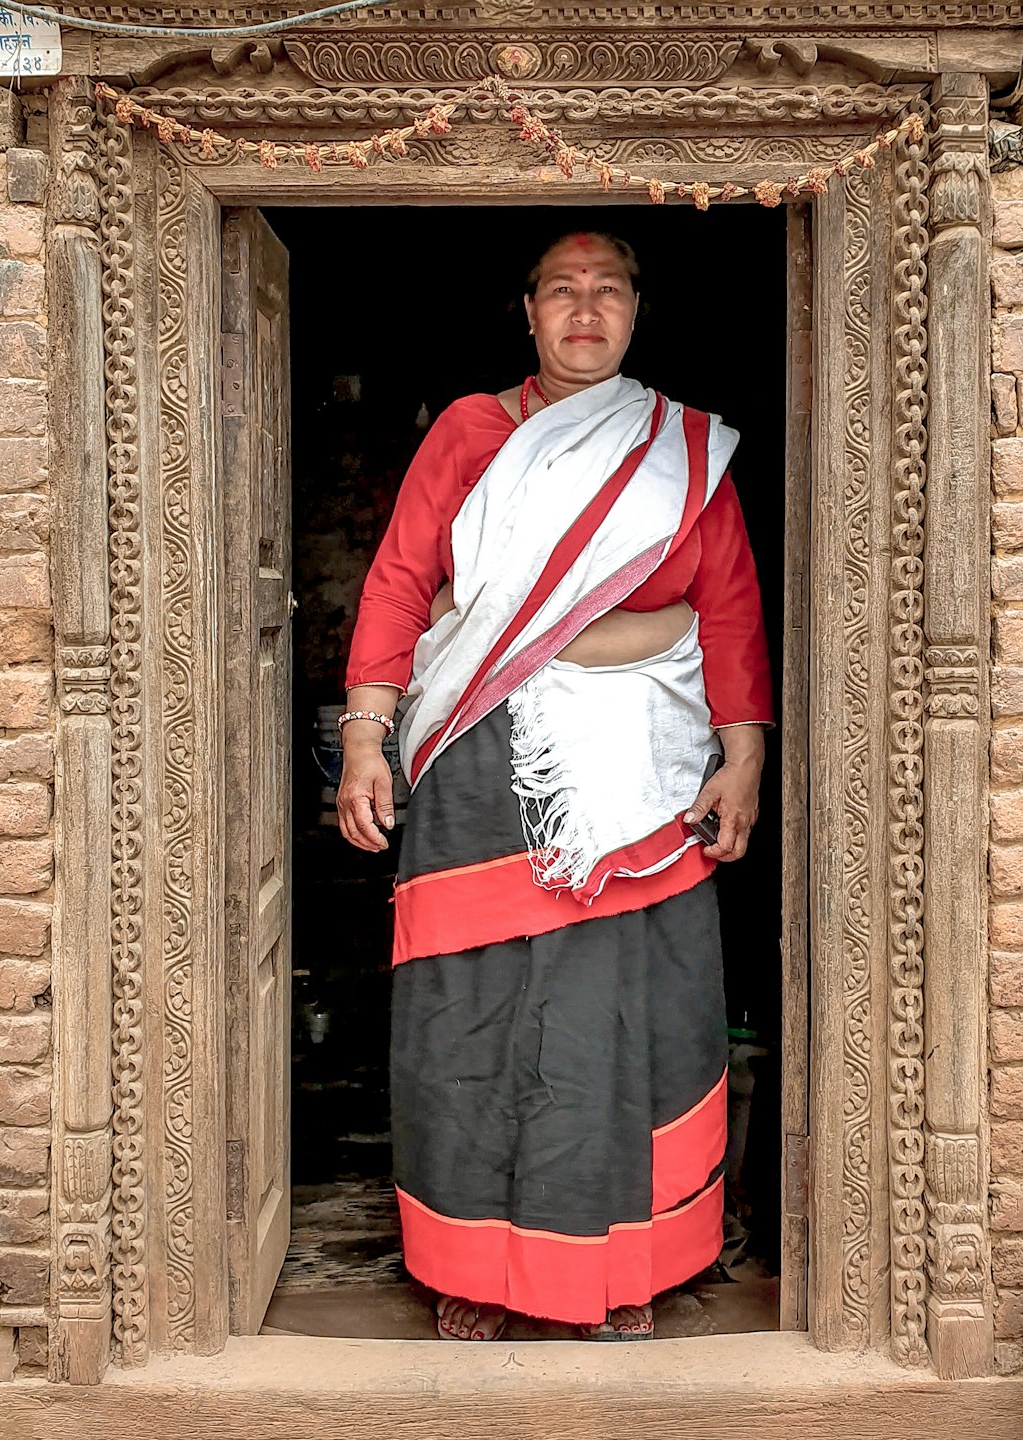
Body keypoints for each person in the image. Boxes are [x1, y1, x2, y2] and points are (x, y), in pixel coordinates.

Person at [338, 232, 773, 1342]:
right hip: (481, 764)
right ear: (527, 312)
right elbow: (401, 584)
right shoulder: (471, 433)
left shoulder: (676, 452)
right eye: (563, 290)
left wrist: (745, 751)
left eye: (608, 289)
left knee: (621, 1016)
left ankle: (621, 1270)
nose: (586, 307)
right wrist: (365, 736)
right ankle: (473, 1273)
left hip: (645, 780)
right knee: (467, 1015)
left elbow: (722, 607)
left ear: (636, 312)